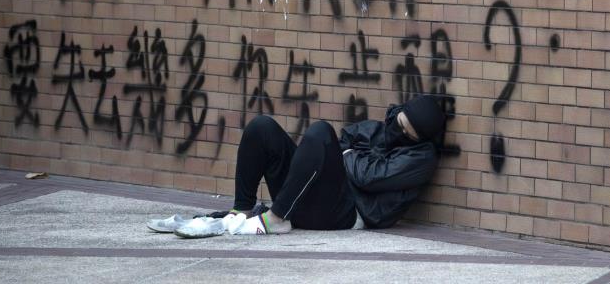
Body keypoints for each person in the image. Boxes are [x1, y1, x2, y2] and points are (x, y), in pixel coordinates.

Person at [153, 94, 446, 237]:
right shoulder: (381, 127)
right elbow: (348, 138)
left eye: (408, 134)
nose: (399, 132)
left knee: (320, 133)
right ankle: (241, 210)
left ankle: (275, 219)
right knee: (262, 127)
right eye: (400, 124)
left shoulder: (421, 158)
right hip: (315, 199)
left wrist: (345, 155)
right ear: (399, 113)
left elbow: (367, 177)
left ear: (420, 139)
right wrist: (347, 154)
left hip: (346, 213)